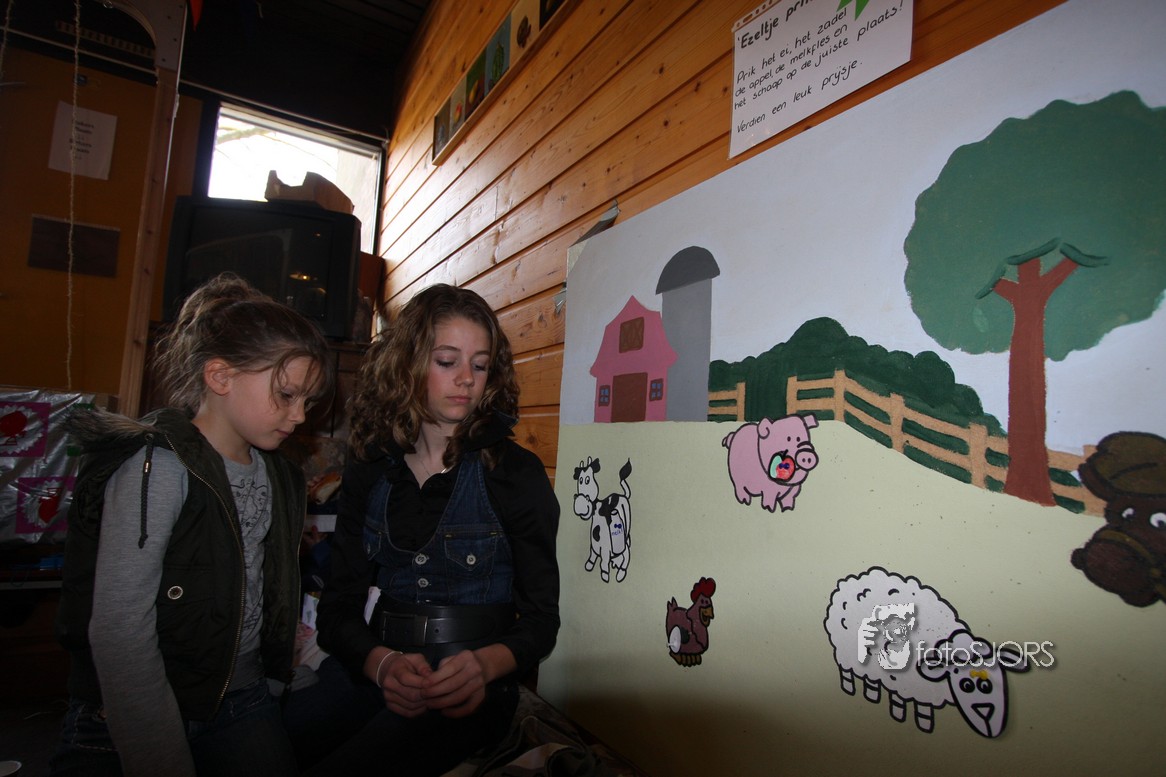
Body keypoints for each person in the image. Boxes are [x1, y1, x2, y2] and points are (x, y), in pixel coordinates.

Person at [51, 273, 335, 777]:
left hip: (242, 696)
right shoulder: (159, 468)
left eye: (307, 402)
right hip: (138, 707)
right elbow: (120, 630)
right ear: (220, 376)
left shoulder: (279, 475)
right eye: (287, 395)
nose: (299, 416)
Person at [302, 284, 560, 776]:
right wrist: (380, 663)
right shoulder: (370, 468)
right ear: (408, 364)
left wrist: (485, 666)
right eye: (447, 361)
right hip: (376, 668)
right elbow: (337, 609)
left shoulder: (514, 473)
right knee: (279, 745)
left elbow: (542, 620)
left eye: (479, 365)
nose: (465, 379)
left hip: (475, 688)